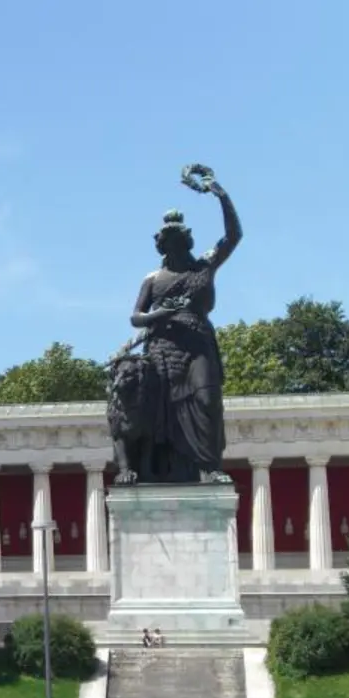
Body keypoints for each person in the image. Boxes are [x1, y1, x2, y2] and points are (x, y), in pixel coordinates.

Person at [129, 175, 243, 484]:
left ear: (187, 241)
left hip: (198, 343)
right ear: (162, 244)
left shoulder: (204, 266)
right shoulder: (153, 279)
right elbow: (136, 317)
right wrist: (160, 314)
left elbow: (233, 236)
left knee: (208, 401)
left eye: (179, 239)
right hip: (163, 349)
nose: (174, 245)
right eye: (169, 240)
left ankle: (210, 466)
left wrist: (221, 195)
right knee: (162, 414)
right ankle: (162, 470)